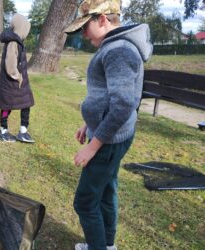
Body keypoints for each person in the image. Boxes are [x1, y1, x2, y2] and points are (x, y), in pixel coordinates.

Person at [64, 0, 153, 250]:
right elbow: (109, 96)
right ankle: (107, 245)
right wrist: (88, 123)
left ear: (102, 19)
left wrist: (93, 146)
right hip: (111, 135)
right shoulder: (115, 46)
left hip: (109, 141)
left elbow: (123, 105)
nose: (83, 33)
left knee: (85, 201)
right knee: (105, 191)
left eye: (85, 26)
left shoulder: (119, 50)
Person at [0, 13, 35, 143]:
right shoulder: (13, 42)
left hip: (19, 83)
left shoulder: (18, 42)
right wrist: (18, 77)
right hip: (11, 82)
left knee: (26, 103)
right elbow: (10, 65)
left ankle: (23, 132)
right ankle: (3, 131)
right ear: (21, 27)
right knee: (6, 106)